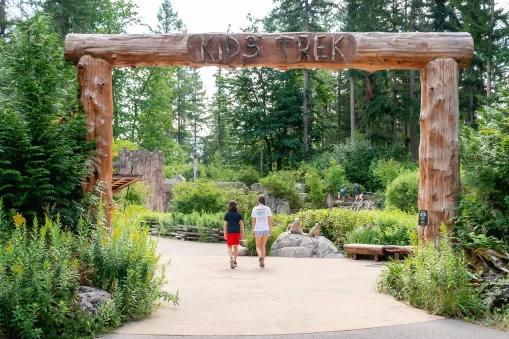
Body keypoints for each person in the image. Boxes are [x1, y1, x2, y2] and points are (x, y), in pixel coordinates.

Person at [251, 195, 272, 268]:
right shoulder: (267, 209)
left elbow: (254, 221)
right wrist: (270, 230)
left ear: (258, 201)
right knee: (263, 246)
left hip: (258, 229)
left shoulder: (255, 209)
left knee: (258, 246)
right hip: (266, 229)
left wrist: (252, 230)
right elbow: (269, 221)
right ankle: (262, 262)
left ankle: (260, 256)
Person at [223, 200, 245, 269]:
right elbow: (241, 224)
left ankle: (231, 257)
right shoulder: (238, 214)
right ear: (236, 206)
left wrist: (224, 233)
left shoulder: (227, 214)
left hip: (230, 232)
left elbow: (225, 224)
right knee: (235, 247)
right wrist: (242, 233)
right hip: (237, 232)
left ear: (229, 206)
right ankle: (235, 261)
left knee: (229, 247)